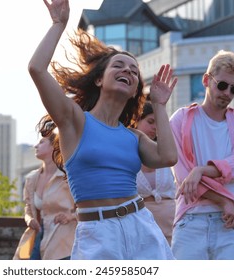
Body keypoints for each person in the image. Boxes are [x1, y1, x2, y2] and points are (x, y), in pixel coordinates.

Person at [28, 0, 177, 260]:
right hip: (97, 233)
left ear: (133, 92)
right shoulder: (74, 120)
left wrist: (160, 105)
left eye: (133, 72)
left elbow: (168, 157)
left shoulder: (134, 136)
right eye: (118, 66)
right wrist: (58, 25)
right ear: (99, 79)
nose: (127, 71)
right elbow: (36, 69)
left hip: (141, 225)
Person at [169, 50, 234, 260]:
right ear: (206, 80)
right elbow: (184, 178)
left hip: (229, 224)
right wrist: (225, 202)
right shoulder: (180, 120)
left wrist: (200, 171)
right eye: (222, 85)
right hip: (192, 220)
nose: (227, 93)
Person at [13, 127, 77, 260]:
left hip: (64, 241)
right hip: (38, 237)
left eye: (41, 142)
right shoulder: (32, 178)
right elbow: (28, 208)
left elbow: (86, 205)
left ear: (55, 146)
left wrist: (70, 216)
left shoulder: (68, 176)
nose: (36, 146)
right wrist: (29, 219)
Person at [135, 101, 177, 245]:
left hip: (171, 228)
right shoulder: (126, 154)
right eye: (150, 121)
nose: (154, 128)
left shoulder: (165, 152)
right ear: (136, 120)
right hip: (141, 230)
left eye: (158, 124)